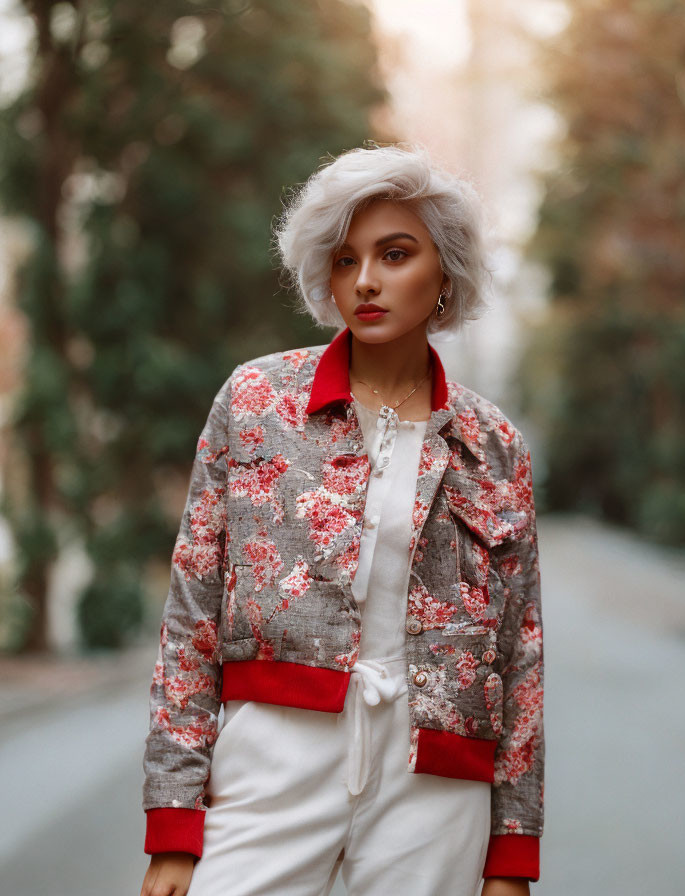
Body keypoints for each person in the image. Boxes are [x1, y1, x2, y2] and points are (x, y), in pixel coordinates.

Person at [139, 142, 545, 896]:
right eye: (344, 259)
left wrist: (513, 855)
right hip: (275, 757)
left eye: (395, 255)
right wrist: (173, 822)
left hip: (435, 776)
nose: (366, 281)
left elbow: (521, 656)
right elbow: (190, 616)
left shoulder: (493, 445)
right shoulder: (256, 401)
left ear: (444, 273)